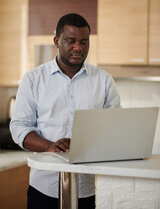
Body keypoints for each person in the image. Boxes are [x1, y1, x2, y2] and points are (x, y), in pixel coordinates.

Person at [10, 13, 121, 209]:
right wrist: (50, 146)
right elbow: (19, 128)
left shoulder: (104, 80)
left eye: (84, 42)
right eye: (70, 41)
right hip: (44, 188)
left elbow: (116, 125)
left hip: (89, 188)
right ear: (57, 41)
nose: (78, 47)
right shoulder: (33, 79)